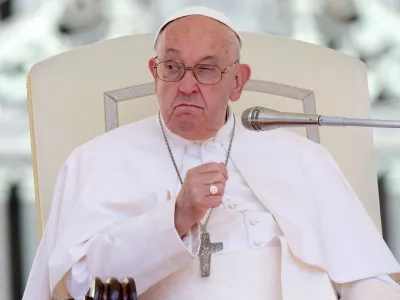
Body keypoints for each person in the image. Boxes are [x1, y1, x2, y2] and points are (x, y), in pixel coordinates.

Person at [23, 6, 400, 300]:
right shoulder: (98, 161)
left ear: (237, 82)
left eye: (206, 70)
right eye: (173, 67)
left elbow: (365, 277)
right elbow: (77, 284)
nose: (186, 85)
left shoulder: (303, 159)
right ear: (155, 73)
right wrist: (175, 217)